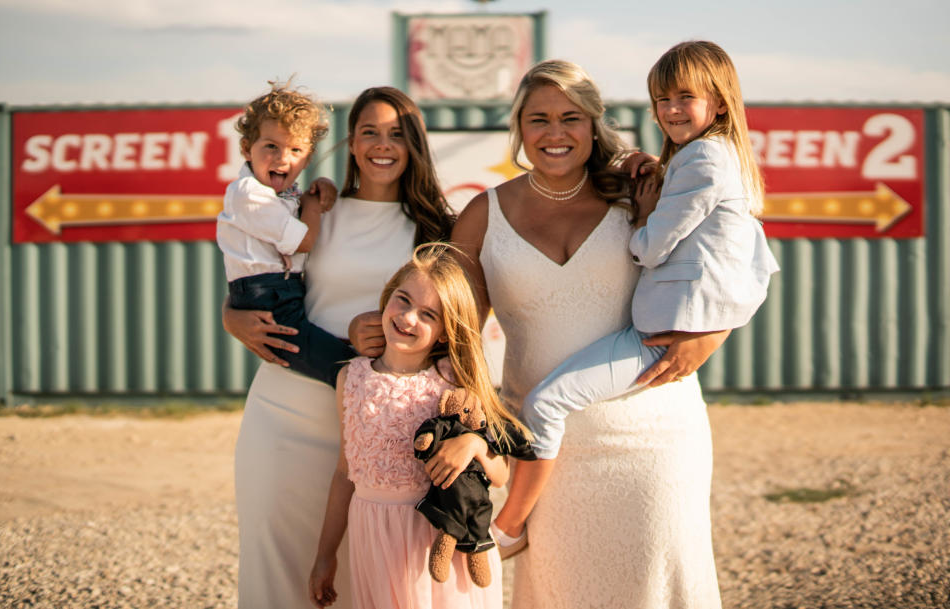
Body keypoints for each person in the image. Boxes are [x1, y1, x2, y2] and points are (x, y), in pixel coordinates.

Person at [449, 58, 728, 608]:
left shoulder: (640, 192)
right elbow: (455, 332)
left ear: (594, 124)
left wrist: (716, 332)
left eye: (571, 117)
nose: (555, 133)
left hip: (654, 435)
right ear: (519, 128)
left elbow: (727, 262)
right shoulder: (484, 214)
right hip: (543, 457)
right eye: (539, 119)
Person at [223, 86, 453, 609]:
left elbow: (454, 327)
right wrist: (230, 315)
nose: (382, 144)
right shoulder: (314, 208)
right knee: (275, 565)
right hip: (284, 414)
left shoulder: (436, 227)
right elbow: (251, 275)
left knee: (361, 576)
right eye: (369, 131)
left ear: (415, 144)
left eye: (397, 134)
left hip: (380, 429)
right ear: (351, 143)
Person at [518, 41, 780, 463]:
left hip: (660, 334)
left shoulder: (704, 161)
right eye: (663, 99)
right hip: (662, 327)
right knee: (546, 402)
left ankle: (510, 525)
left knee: (544, 404)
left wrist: (641, 219)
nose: (672, 109)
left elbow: (652, 249)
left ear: (719, 104)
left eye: (685, 97)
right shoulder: (713, 156)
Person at [309, 243, 528, 609]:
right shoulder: (352, 379)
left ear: (444, 332)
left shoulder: (452, 383)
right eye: (403, 300)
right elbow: (345, 473)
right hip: (374, 538)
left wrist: (474, 445)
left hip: (435, 539)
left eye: (428, 314)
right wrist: (324, 555)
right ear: (387, 297)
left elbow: (500, 474)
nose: (408, 318)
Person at [216, 81, 354, 387]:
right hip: (268, 298)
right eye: (271, 147)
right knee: (345, 367)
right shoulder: (248, 194)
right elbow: (304, 241)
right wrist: (313, 205)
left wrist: (319, 190)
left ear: (307, 156)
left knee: (341, 362)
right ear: (245, 149)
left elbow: (299, 211)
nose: (282, 158)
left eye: (295, 150)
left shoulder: (282, 193)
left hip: (283, 291)